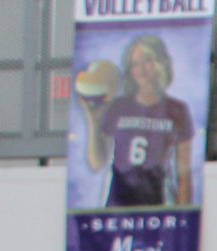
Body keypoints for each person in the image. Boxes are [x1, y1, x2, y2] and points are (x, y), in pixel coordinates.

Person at [80, 34, 195, 210]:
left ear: (160, 63)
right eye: (135, 64)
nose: (141, 69)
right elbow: (96, 163)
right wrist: (93, 122)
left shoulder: (177, 110)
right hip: (118, 202)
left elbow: (184, 174)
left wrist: (183, 218)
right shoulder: (118, 106)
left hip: (158, 201)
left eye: (147, 61)